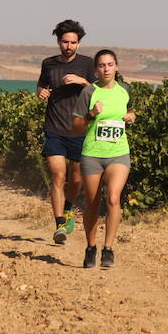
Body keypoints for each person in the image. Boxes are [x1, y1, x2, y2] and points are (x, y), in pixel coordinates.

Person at [71, 49, 135, 269]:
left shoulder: (125, 90)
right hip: (92, 154)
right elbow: (77, 127)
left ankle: (108, 249)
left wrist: (132, 116)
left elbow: (130, 109)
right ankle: (91, 247)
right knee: (92, 202)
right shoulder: (89, 92)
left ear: (116, 66)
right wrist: (91, 114)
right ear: (96, 69)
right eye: (101, 65)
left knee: (114, 198)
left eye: (110, 64)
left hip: (118, 152)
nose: (106, 69)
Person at [36, 20, 95, 244]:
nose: (69, 46)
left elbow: (98, 92)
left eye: (73, 42)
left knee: (76, 179)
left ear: (79, 43)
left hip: (80, 129)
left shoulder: (88, 64)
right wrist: (41, 92)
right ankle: (59, 224)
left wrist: (82, 82)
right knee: (58, 175)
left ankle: (69, 208)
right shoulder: (48, 64)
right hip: (54, 128)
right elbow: (41, 86)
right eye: (65, 42)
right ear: (58, 42)